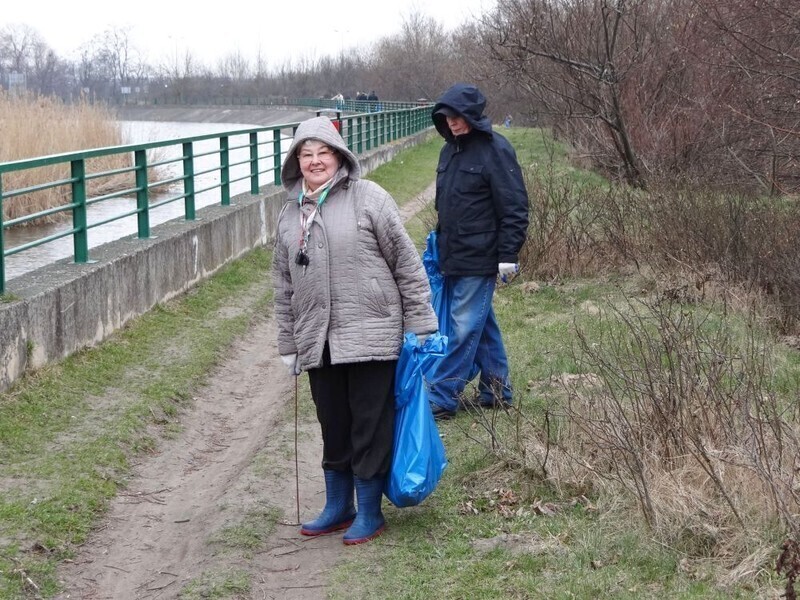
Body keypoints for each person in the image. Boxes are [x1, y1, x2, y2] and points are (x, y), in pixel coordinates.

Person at [272, 116, 438, 544]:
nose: (315, 161)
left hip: (372, 333)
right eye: (306, 155)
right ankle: (337, 505)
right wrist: (288, 342)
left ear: (339, 155)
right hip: (318, 339)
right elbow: (283, 284)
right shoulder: (290, 215)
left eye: (323, 152)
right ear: (295, 162)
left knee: (369, 423)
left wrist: (421, 320)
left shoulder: (370, 198)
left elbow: (405, 262)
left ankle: (369, 511)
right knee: (333, 422)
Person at [426, 83, 529, 420]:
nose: (452, 122)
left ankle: (443, 395)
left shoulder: (496, 149)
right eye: (446, 116)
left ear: (471, 115)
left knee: (462, 328)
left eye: (457, 115)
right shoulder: (448, 152)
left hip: (480, 256)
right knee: (481, 326)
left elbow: (514, 206)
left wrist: (508, 255)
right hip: (452, 255)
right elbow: (447, 206)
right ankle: (497, 390)